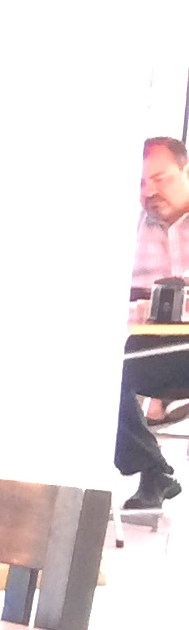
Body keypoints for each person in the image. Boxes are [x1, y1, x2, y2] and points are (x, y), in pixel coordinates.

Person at [120, 136, 189, 511]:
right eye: (142, 183)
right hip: (147, 347)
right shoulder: (126, 230)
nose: (150, 191)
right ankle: (153, 469)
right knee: (95, 371)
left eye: (160, 179)